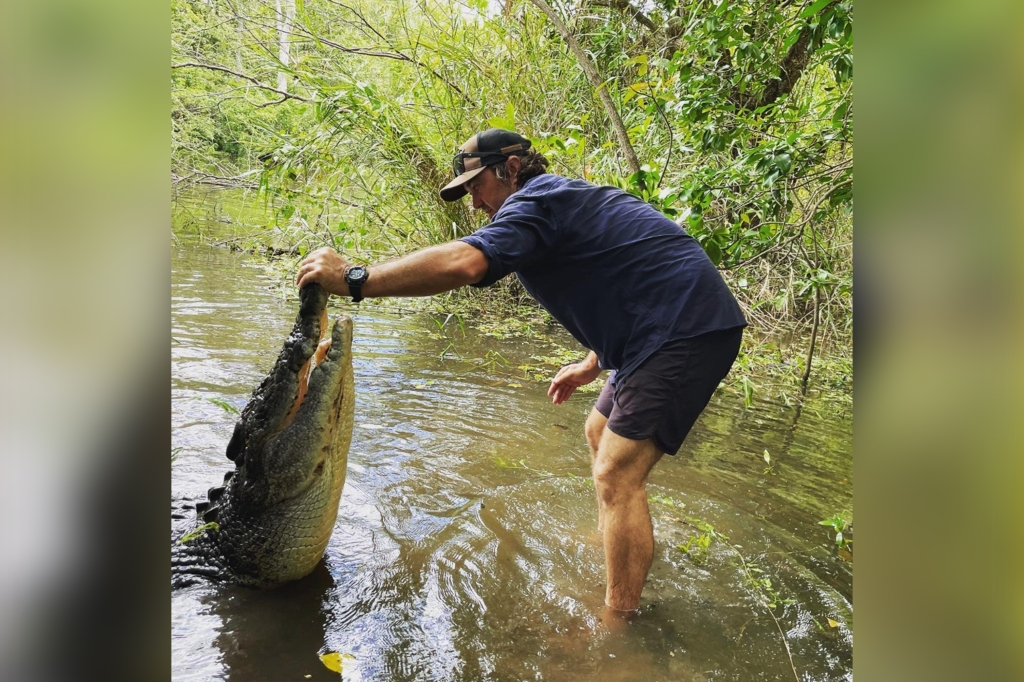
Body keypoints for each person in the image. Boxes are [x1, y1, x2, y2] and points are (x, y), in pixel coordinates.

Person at [296, 128, 747, 615]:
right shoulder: (557, 203)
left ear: (510, 168)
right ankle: (618, 542)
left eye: (476, 186)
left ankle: (619, 624)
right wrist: (591, 362)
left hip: (684, 329)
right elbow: (624, 274)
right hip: (657, 329)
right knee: (599, 431)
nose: (474, 203)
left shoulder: (535, 201)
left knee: (617, 472)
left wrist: (356, 278)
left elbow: (467, 263)